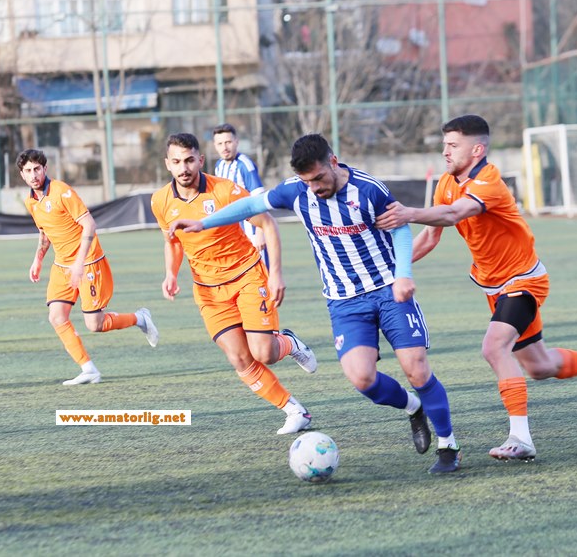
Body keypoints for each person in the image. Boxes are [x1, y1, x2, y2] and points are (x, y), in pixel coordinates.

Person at [170, 134, 462, 474]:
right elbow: (251, 205)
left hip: (388, 289)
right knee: (363, 379)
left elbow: (399, 229)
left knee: (416, 368)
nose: (315, 188)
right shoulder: (297, 191)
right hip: (343, 301)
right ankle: (414, 408)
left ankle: (448, 445)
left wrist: (403, 274)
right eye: (307, 181)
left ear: (333, 162)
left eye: (319, 178)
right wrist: (203, 222)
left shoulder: (368, 190)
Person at [374, 115, 577, 462]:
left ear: (477, 148)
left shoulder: (490, 182)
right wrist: (393, 271)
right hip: (494, 287)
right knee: (539, 366)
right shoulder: (446, 182)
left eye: (453, 145)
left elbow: (455, 214)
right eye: (445, 145)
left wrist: (408, 212)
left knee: (494, 347)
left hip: (524, 281)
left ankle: (521, 439)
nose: (445, 151)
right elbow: (432, 234)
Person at [152, 133, 316, 435]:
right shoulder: (160, 201)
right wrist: (171, 273)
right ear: (168, 165)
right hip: (209, 291)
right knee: (239, 357)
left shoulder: (225, 191)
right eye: (176, 162)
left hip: (247, 277)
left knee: (263, 353)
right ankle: (294, 410)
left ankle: (290, 343)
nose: (184, 167)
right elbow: (173, 241)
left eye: (189, 160)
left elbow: (267, 223)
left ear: (201, 160)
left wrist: (276, 274)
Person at [16, 149, 160, 385]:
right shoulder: (31, 201)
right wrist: (38, 259)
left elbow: (89, 225)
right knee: (56, 316)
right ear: (22, 175)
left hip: (88, 261)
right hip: (62, 266)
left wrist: (80, 262)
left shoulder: (62, 192)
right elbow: (44, 233)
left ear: (45, 169)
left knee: (95, 324)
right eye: (28, 171)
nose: (34, 175)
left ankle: (140, 318)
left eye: (37, 169)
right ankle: (88, 368)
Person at [212, 123, 268, 265]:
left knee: (263, 275)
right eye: (220, 143)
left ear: (236, 142)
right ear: (215, 145)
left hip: (252, 230)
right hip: (234, 233)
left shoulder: (245, 165)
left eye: (228, 142)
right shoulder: (219, 165)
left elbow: (259, 199)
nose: (224, 147)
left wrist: (260, 233)